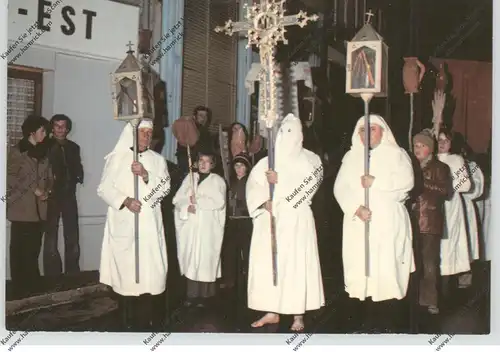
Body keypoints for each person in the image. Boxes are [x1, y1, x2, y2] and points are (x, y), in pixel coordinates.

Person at [333, 115, 415, 331]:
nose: (366, 134)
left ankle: (389, 327)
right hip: (359, 225)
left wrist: (376, 183)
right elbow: (340, 188)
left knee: (387, 273)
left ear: (383, 131)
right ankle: (363, 325)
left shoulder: (397, 154)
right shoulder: (351, 158)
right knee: (362, 273)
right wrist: (356, 208)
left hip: (387, 222)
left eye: (372, 129)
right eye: (362, 130)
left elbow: (407, 181)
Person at [246, 113, 324, 331]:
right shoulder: (268, 159)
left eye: (291, 132)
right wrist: (263, 203)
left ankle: (298, 314)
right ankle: (272, 311)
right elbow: (253, 185)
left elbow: (307, 188)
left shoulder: (311, 160)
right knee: (271, 265)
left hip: (296, 222)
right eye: (283, 131)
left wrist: (280, 183)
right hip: (270, 220)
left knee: (295, 266)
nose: (286, 136)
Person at [97, 119, 170, 331]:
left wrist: (146, 175)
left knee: (150, 275)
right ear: (132, 134)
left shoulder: (157, 160)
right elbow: (103, 189)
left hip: (148, 225)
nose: (147, 136)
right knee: (127, 276)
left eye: (150, 133)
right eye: (143, 132)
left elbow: (164, 190)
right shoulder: (117, 158)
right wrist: (126, 201)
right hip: (125, 224)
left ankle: (150, 323)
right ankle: (126, 324)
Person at [173, 151, 226, 308]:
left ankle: (206, 296)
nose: (203, 164)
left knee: (205, 259)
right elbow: (177, 199)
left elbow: (219, 202)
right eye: (201, 160)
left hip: (208, 228)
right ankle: (191, 294)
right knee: (191, 258)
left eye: (207, 161)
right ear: (196, 163)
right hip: (192, 228)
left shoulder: (217, 181)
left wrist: (200, 200)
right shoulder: (190, 178)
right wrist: (186, 207)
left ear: (212, 164)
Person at [7, 115, 52, 296]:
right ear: (32, 132)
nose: (46, 134)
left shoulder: (43, 151)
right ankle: (20, 288)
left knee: (33, 250)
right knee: (20, 251)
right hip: (21, 210)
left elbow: (48, 176)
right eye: (43, 130)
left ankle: (32, 285)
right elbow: (9, 178)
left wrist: (48, 190)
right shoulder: (17, 152)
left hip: (39, 211)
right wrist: (34, 189)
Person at [411, 129, 452, 314]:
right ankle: (415, 298)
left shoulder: (440, 168)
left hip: (429, 221)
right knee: (413, 261)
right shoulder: (410, 166)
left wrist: (422, 181)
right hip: (411, 221)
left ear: (431, 149)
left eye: (422, 146)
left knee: (429, 263)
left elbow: (446, 192)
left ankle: (431, 301)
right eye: (415, 146)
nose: (417, 149)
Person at [44, 114, 84, 277]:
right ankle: (52, 275)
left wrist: (78, 177)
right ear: (52, 128)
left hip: (69, 194)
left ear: (68, 129)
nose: (61, 130)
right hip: (51, 196)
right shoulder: (45, 146)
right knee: (51, 236)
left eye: (64, 126)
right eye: (57, 126)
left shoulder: (74, 147)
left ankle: (72, 273)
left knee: (72, 234)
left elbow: (76, 166)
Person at [436, 129, 471, 295]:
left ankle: (446, 290)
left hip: (450, 205)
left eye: (446, 140)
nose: (442, 143)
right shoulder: (431, 158)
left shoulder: (456, 160)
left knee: (448, 245)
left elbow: (466, 184)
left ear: (451, 144)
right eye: (439, 140)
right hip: (434, 206)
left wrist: (446, 187)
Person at [221, 153, 253, 291]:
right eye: (236, 166)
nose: (239, 169)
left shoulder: (250, 183)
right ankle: (230, 279)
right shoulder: (230, 183)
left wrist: (239, 203)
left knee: (247, 251)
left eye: (242, 166)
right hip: (232, 222)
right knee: (229, 251)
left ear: (246, 168)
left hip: (245, 221)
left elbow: (253, 201)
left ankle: (249, 280)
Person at [458, 145, 484, 288]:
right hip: (449, 208)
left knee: (466, 242)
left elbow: (476, 190)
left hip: (465, 207)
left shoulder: (471, 166)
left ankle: (465, 278)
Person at [175, 106, 215, 178]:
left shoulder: (206, 133)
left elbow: (208, 150)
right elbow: (182, 150)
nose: (204, 118)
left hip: (202, 166)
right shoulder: (188, 130)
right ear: (194, 117)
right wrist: (194, 161)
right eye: (201, 115)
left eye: (206, 116)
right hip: (189, 166)